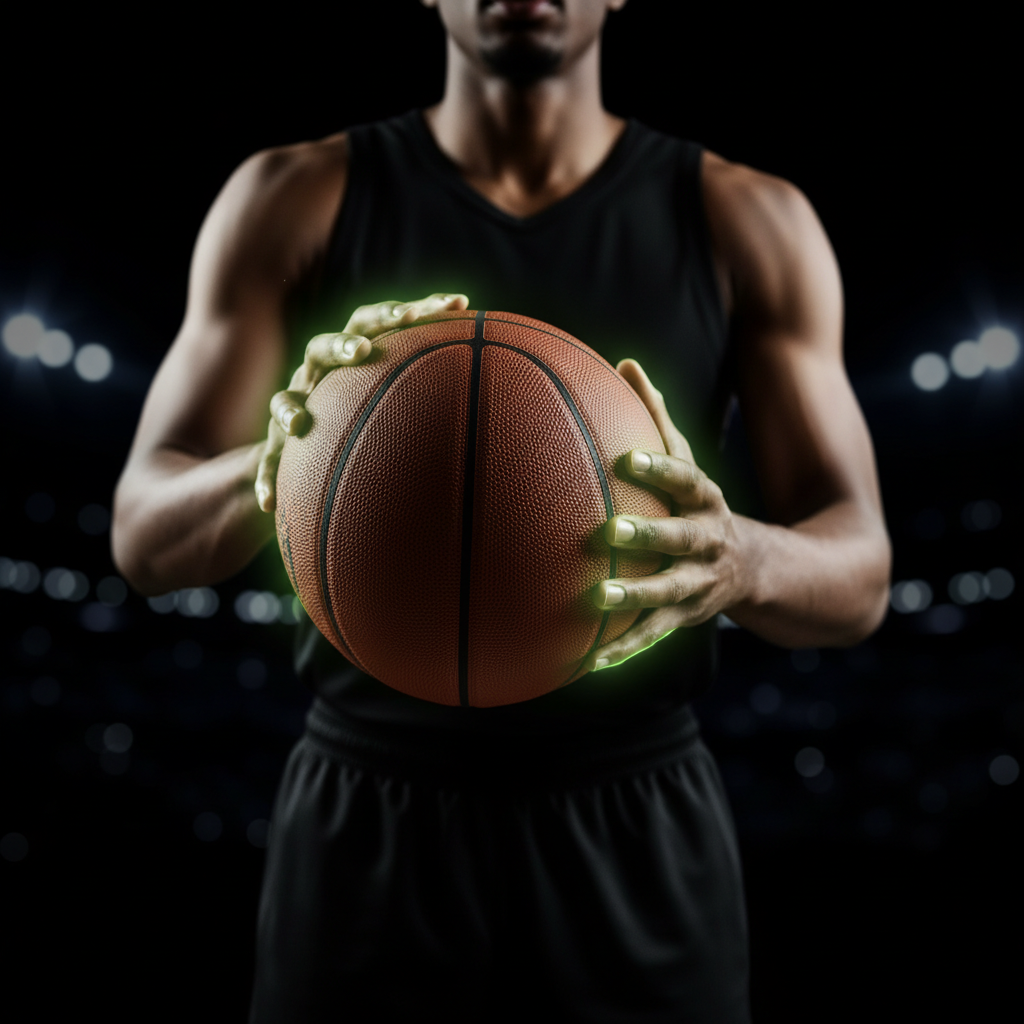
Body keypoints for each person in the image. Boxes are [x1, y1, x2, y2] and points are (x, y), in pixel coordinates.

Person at [112, 1, 892, 1020]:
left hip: (633, 803)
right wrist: (283, 460)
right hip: (368, 801)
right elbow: (142, 530)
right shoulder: (292, 196)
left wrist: (741, 559)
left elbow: (862, 570)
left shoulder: (747, 216)